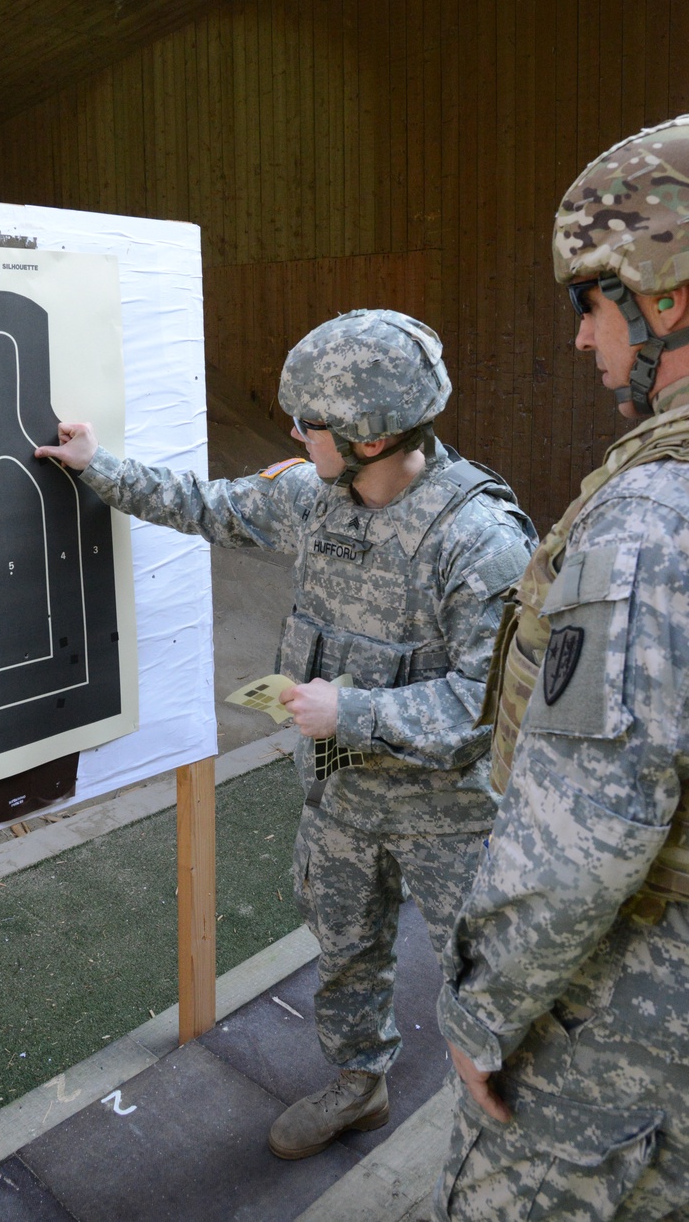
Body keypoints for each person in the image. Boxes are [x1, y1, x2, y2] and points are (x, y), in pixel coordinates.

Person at [36, 308, 534, 1158]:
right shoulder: (315, 496)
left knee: (488, 977)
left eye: (309, 423)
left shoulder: (480, 540)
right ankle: (359, 1085)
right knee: (343, 950)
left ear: (369, 438)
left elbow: (483, 709)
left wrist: (353, 713)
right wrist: (99, 469)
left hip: (449, 814)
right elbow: (210, 505)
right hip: (340, 796)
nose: (295, 433)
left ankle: (509, 1124)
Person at [436, 116, 689, 1221]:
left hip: (629, 1033)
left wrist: (480, 1013)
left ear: (664, 294)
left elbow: (584, 842)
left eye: (591, 303)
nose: (585, 342)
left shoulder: (647, 521)